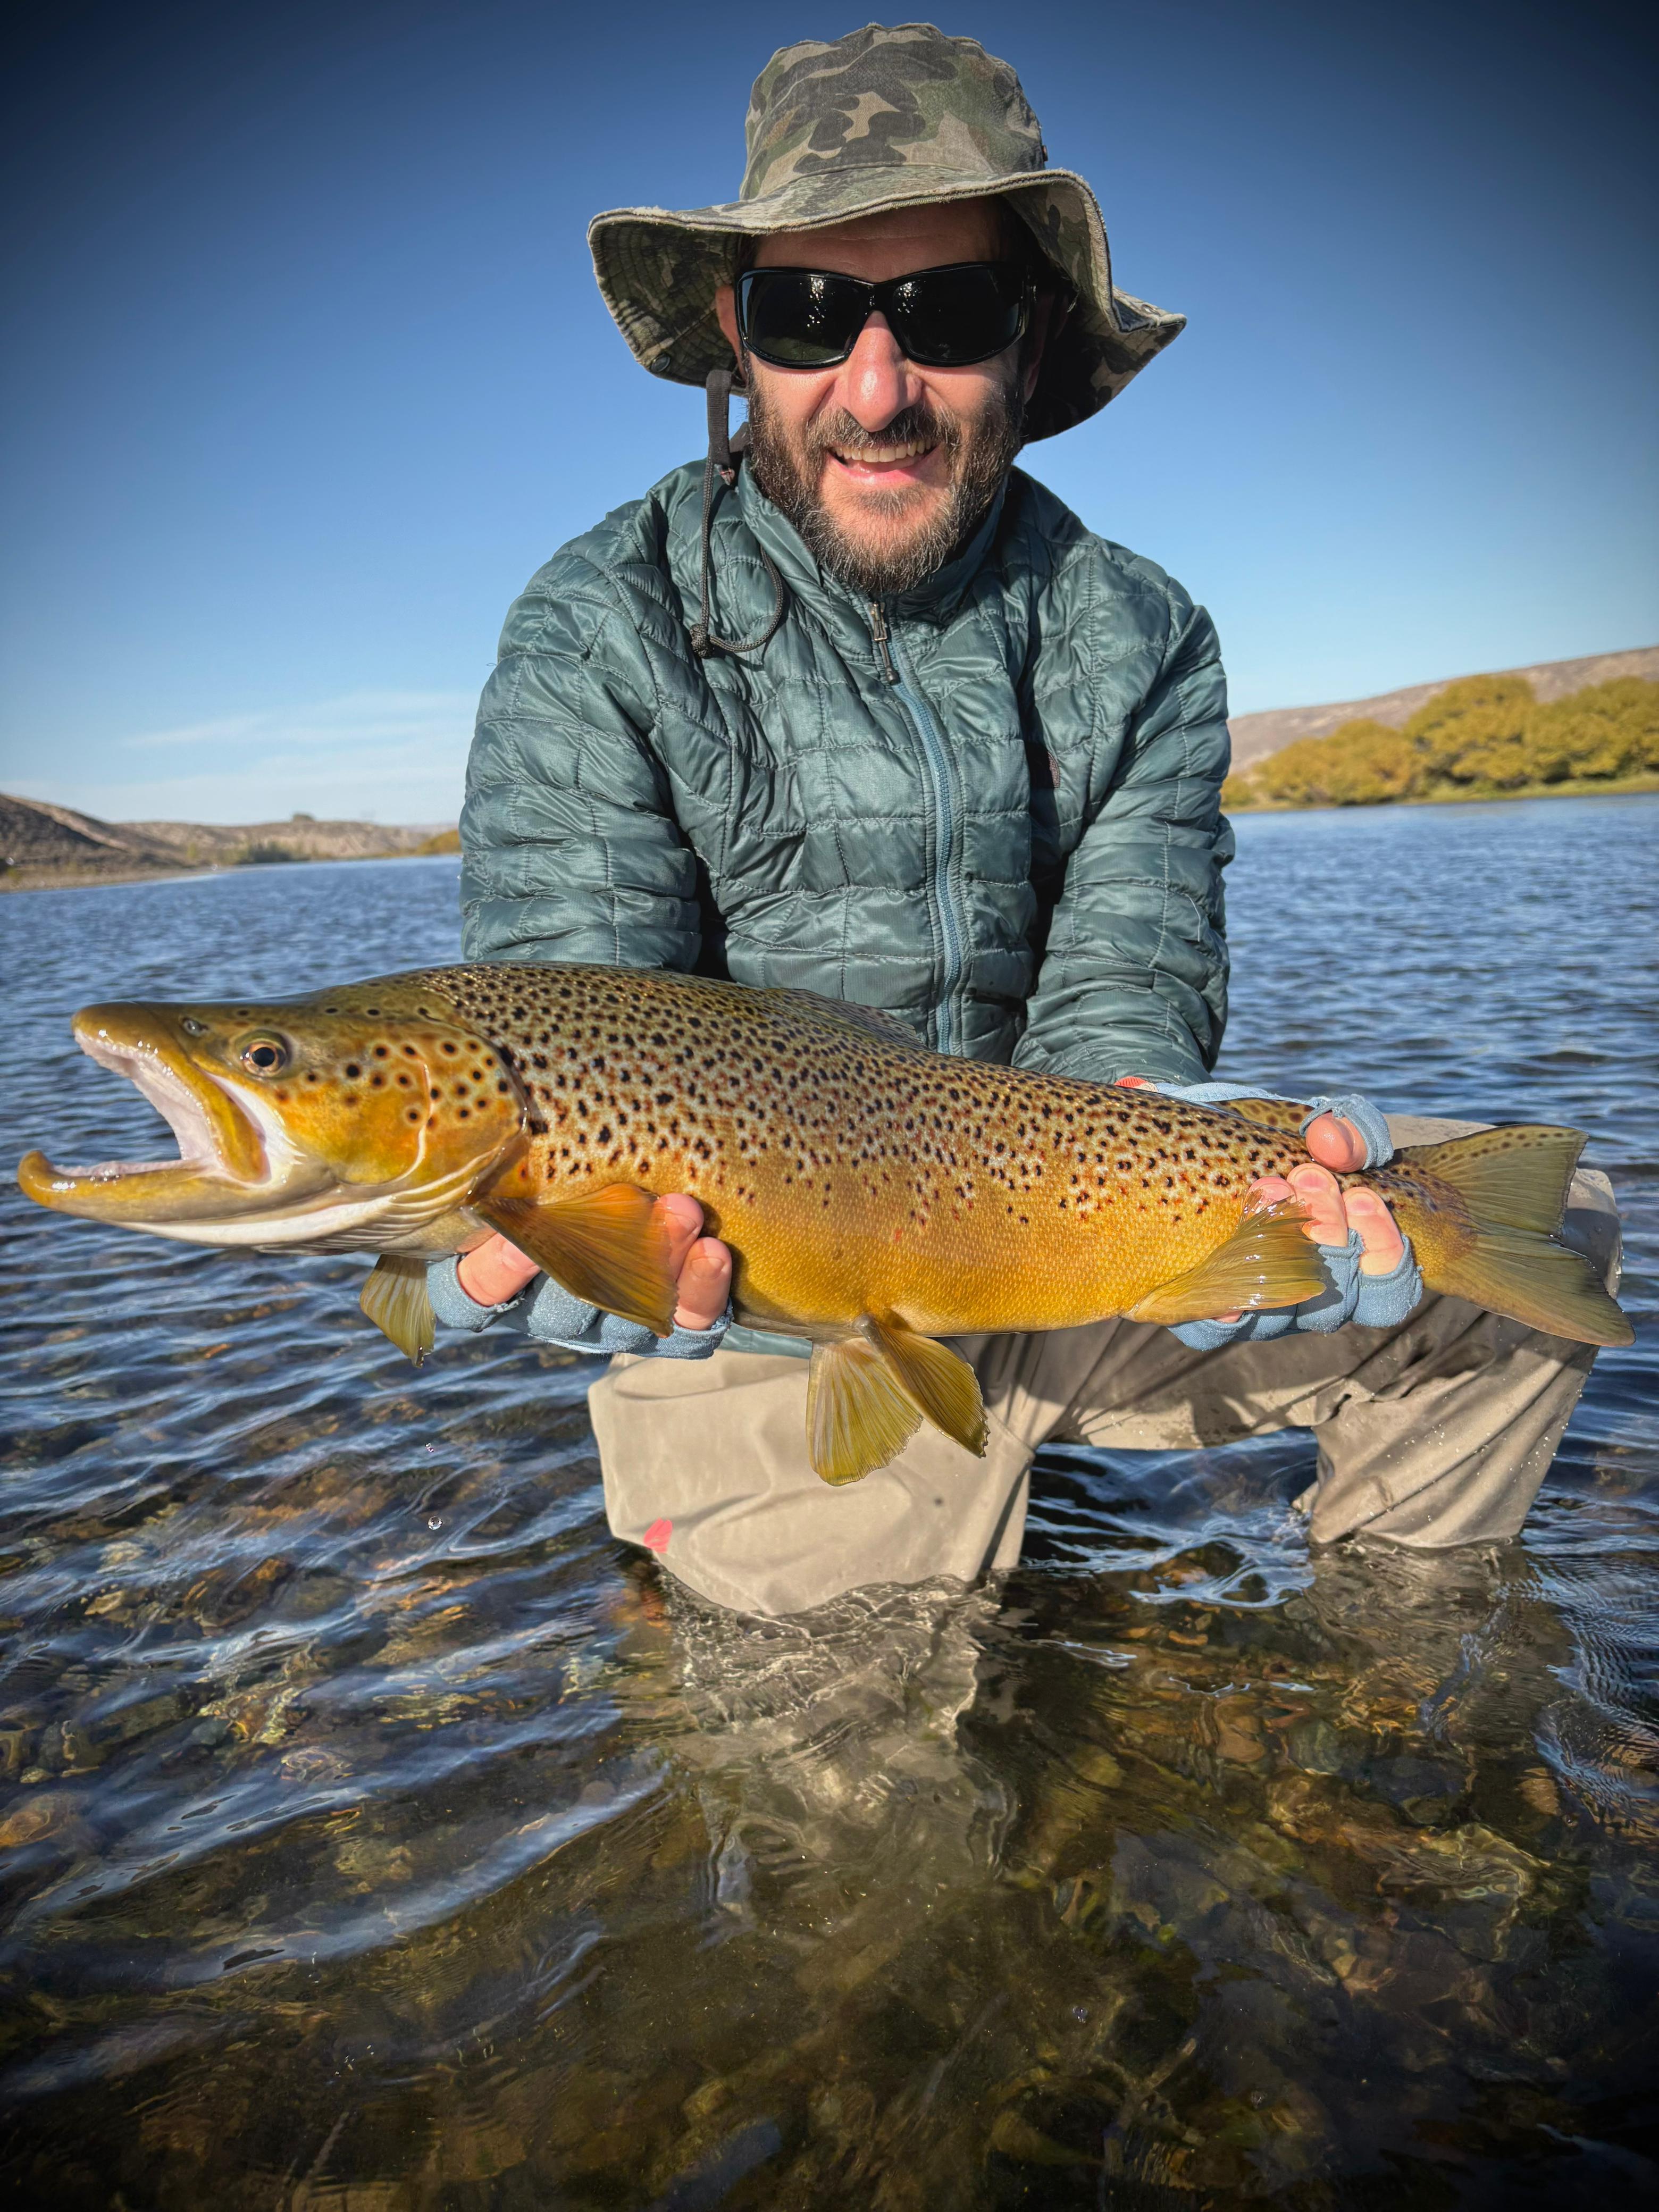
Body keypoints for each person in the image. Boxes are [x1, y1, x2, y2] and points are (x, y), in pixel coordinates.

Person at [425, 24, 1620, 1618]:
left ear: (1031, 339)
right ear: (735, 337)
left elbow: (1126, 1009)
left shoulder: (1142, 634)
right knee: (857, 1822)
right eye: (806, 312)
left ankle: (1396, 1674)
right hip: (764, 1297)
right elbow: (568, 1021)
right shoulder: (598, 631)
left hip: (1057, 1238)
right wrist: (566, 1239)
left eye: (945, 310)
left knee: (1540, 1234)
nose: (874, 387)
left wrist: (1225, 1189)